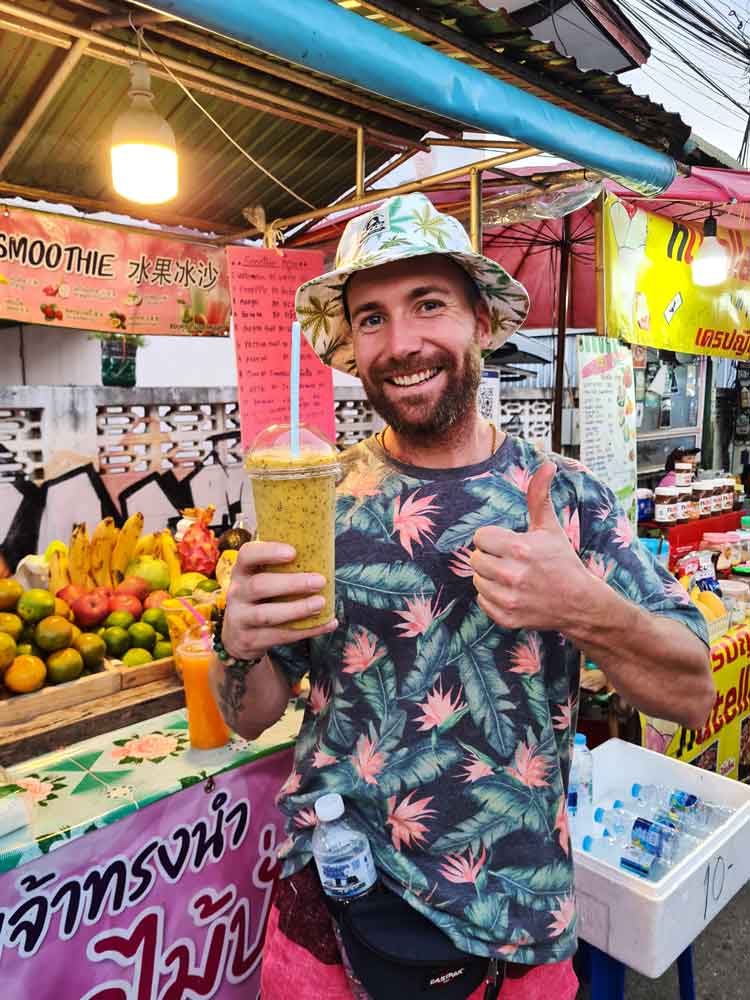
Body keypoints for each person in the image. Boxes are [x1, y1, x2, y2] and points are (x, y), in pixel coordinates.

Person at [213, 194, 714, 1000]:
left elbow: (692, 693)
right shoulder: (317, 498)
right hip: (333, 917)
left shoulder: (566, 496)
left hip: (514, 926)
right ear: (348, 345)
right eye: (371, 318)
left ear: (482, 320)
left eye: (429, 304)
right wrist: (237, 646)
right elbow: (247, 713)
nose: (402, 343)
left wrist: (582, 605)